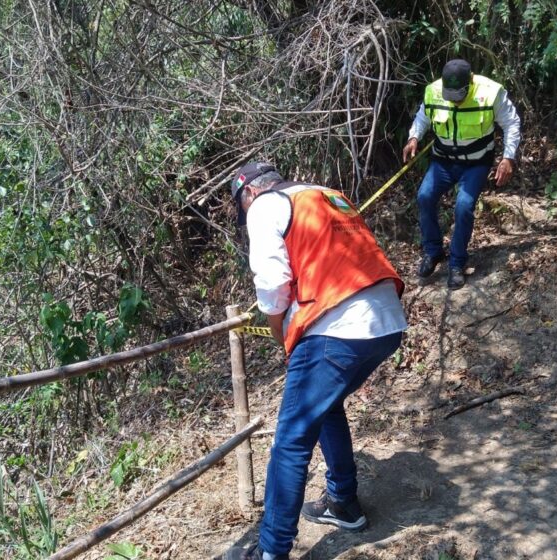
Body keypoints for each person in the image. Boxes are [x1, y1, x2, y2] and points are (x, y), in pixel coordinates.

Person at [222, 162, 408, 560]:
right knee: (325, 409)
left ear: (248, 194)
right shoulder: (327, 194)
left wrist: (279, 333)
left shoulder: (264, 206)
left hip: (337, 324)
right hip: (386, 320)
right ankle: (342, 503)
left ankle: (271, 551)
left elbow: (272, 286)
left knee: (290, 441)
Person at [403, 58, 521, 289]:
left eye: (459, 96)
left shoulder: (490, 92)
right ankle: (433, 252)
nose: (455, 102)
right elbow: (423, 116)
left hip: (476, 163)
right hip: (443, 161)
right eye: (451, 96)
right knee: (425, 197)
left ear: (471, 82)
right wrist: (414, 136)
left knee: (463, 206)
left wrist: (508, 157)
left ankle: (457, 263)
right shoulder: (433, 92)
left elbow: (511, 123)